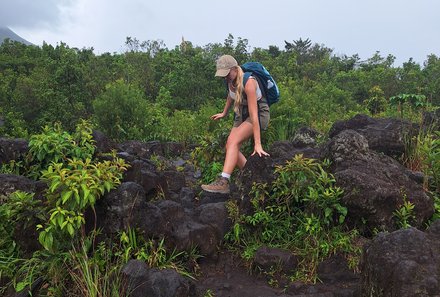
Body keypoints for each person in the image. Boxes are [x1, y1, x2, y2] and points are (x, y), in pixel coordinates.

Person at [201, 55, 270, 194]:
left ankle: (224, 181)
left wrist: (258, 143)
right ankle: (249, 175)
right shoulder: (230, 80)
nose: (225, 77)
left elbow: (254, 115)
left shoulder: (249, 82)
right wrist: (224, 112)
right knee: (230, 144)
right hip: (240, 113)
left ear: (234, 69)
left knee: (233, 142)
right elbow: (230, 96)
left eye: (226, 74)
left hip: (258, 114)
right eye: (223, 75)